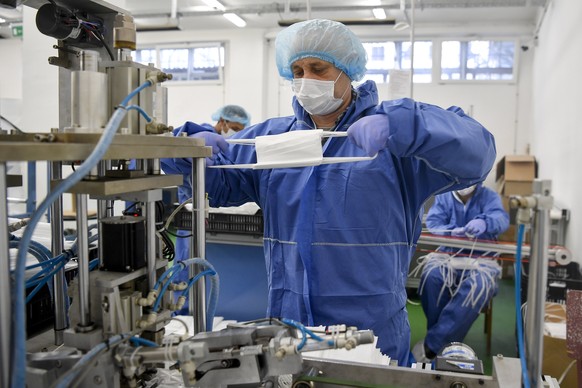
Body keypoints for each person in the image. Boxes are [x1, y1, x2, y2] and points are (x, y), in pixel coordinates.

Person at [161, 19, 497, 366]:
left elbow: (478, 152)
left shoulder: (394, 143)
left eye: (317, 68)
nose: (305, 79)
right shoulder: (274, 140)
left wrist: (404, 124)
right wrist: (186, 153)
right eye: (297, 70)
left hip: (372, 330)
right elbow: (221, 181)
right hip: (289, 325)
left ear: (347, 71)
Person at [412, 183, 509, 363]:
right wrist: (450, 231)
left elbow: (501, 219)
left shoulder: (489, 196)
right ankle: (445, 341)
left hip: (482, 260)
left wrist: (485, 222)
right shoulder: (444, 195)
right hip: (448, 255)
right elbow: (434, 223)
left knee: (477, 287)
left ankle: (432, 346)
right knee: (431, 277)